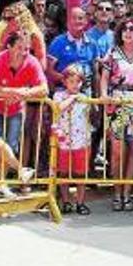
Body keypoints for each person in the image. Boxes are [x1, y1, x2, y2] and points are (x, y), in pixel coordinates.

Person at [0, 31, 47, 198]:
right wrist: (13, 92)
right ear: (9, 46)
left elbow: (43, 89)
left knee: (10, 146)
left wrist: (23, 94)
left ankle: (1, 182)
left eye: (27, 49)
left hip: (16, 109)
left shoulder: (31, 62)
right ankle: (20, 171)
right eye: (20, 47)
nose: (24, 52)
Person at [100, 18, 133, 210]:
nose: (128, 32)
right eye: (125, 29)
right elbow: (105, 77)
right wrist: (105, 95)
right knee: (116, 151)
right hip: (118, 102)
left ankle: (127, 193)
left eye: (132, 29)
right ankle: (116, 191)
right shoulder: (113, 53)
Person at [53, 65, 92, 215]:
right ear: (65, 82)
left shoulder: (85, 98)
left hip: (81, 141)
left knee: (81, 174)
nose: (75, 85)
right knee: (63, 173)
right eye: (71, 81)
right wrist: (72, 98)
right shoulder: (58, 96)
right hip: (64, 141)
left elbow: (90, 115)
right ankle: (66, 201)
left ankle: (80, 202)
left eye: (78, 81)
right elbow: (58, 108)